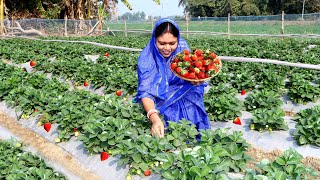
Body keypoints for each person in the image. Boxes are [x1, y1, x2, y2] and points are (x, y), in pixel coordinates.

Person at [135, 18, 210, 138]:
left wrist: (196, 80)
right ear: (155, 40)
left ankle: (195, 135)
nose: (167, 48)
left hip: (183, 89)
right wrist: (154, 118)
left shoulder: (182, 47)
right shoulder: (146, 58)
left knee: (192, 102)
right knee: (166, 116)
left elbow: (189, 73)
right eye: (162, 43)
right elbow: (146, 92)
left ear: (177, 40)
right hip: (159, 94)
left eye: (172, 43)